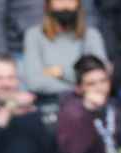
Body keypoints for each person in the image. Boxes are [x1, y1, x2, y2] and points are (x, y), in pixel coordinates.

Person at [20, 0, 109, 129]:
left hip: (90, 110)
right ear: (48, 4)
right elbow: (34, 81)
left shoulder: (91, 35)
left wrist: (61, 72)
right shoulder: (34, 35)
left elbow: (100, 76)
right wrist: (78, 87)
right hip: (50, 109)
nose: (65, 5)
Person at [0, 0, 99, 58]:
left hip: (65, 45)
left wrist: (87, 45)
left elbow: (87, 11)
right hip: (20, 50)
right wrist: (2, 54)